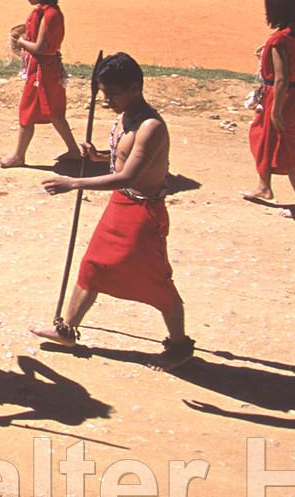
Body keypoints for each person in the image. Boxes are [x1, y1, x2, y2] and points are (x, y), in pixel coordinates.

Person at [29, 53, 194, 370]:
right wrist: (98, 156)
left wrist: (74, 183)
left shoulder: (151, 127)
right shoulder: (126, 117)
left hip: (143, 212)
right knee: (92, 265)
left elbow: (129, 175)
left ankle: (179, 345)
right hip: (121, 205)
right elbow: (121, 160)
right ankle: (66, 330)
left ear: (134, 87)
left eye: (112, 93)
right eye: (103, 93)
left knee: (156, 280)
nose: (106, 100)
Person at [244, 0, 295, 216]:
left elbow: (282, 77)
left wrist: (276, 111)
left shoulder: (279, 41)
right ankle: (264, 186)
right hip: (292, 96)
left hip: (281, 98)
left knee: (288, 148)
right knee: (262, 137)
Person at [0, 0, 79, 168]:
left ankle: (18, 156)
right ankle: (74, 151)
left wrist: (20, 41)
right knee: (55, 112)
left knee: (27, 113)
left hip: (41, 72)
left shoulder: (49, 15)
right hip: (50, 69)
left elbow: (40, 48)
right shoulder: (49, 12)